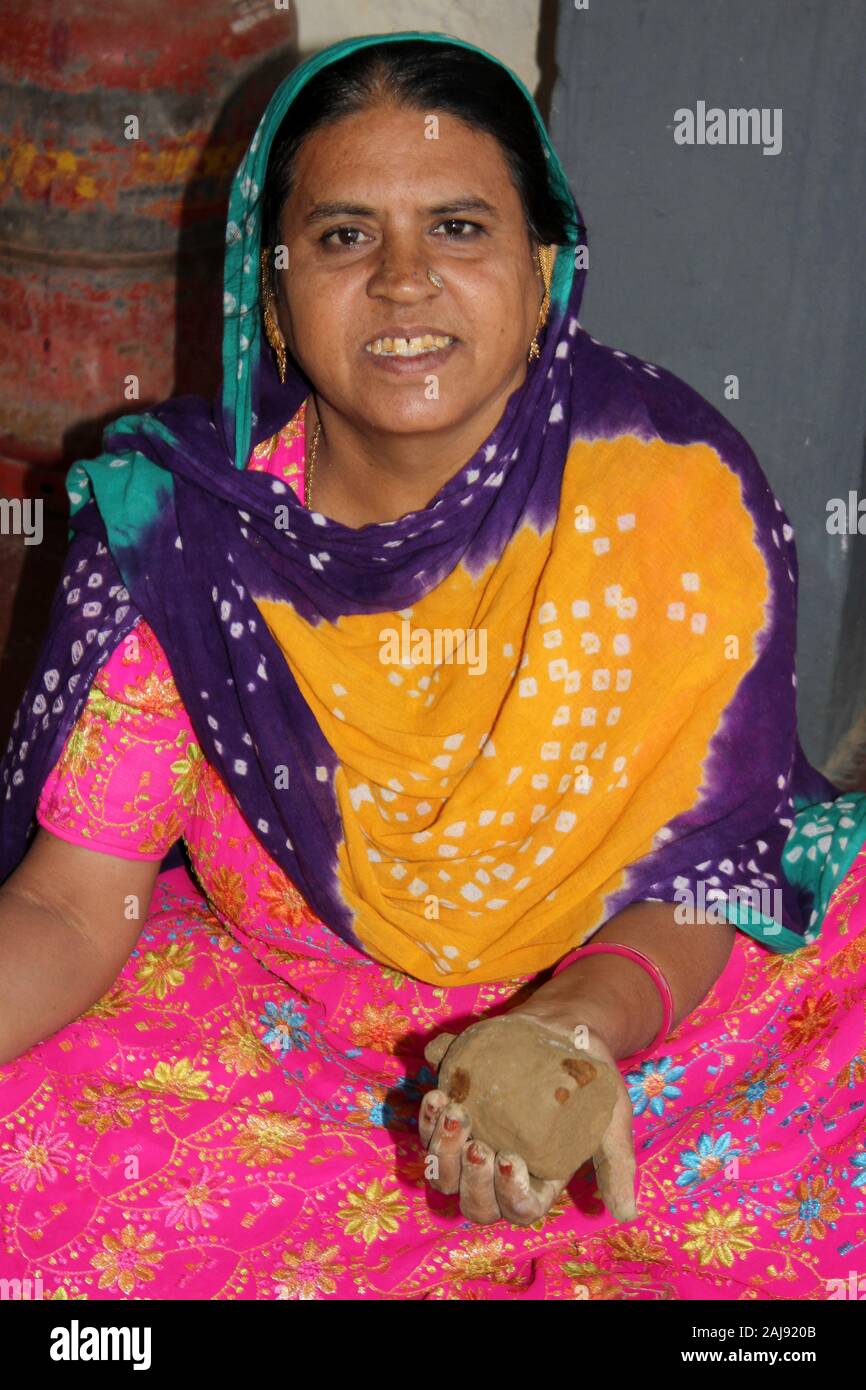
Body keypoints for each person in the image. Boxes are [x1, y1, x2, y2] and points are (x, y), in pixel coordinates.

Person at [0, 31, 864, 1300]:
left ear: (544, 273)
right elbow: (76, 909)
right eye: (345, 237)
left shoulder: (674, 499)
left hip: (652, 1013)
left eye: (458, 228)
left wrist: (572, 1034)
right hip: (289, 1038)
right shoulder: (179, 532)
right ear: (275, 290)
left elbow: (719, 871)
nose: (404, 281)